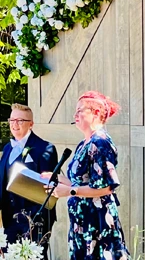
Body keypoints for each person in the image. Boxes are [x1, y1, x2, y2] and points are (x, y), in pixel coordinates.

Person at [42, 90, 130, 260]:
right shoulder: (85, 143)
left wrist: (69, 191)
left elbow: (105, 187)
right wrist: (59, 179)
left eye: (80, 110)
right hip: (82, 223)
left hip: (97, 221)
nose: (75, 114)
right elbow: (80, 182)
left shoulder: (101, 142)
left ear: (96, 113)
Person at [0, 103, 58, 260]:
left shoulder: (45, 148)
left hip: (34, 219)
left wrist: (36, 219)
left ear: (31, 124)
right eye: (12, 120)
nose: (15, 124)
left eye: (20, 120)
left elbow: (50, 187)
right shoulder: (7, 148)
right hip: (9, 218)